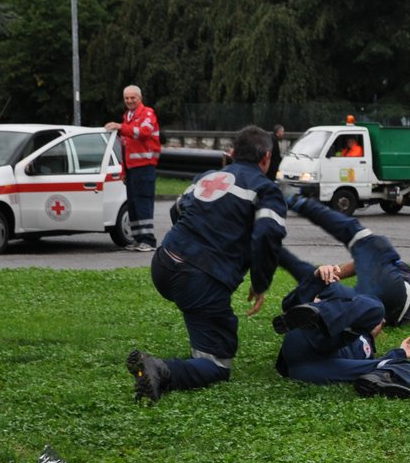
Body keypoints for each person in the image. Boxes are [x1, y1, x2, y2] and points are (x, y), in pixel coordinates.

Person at [125, 125, 288, 403]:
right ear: (267, 157)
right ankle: (161, 370)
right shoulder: (266, 190)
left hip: (164, 263)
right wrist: (260, 283)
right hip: (199, 278)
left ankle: (197, 346)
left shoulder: (207, 177)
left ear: (233, 153)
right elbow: (267, 236)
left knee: (200, 315)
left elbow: (176, 211)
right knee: (217, 366)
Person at [272, 249, 410, 398]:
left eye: (382, 323)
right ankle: (319, 314)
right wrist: (316, 277)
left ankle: (378, 380)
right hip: (310, 336)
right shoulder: (347, 309)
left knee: (403, 365)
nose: (381, 322)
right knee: (375, 307)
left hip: (308, 368)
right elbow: (289, 305)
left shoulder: (368, 351)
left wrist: (401, 352)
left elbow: (381, 362)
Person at [278, 193, 410, 327]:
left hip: (386, 306)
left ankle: (291, 205)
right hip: (388, 307)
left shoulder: (377, 270)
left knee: (321, 282)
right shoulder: (383, 268)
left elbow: (360, 266)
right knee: (363, 239)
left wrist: (330, 276)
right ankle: (295, 201)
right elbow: (362, 265)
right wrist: (332, 274)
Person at [105, 85, 162, 251]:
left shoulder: (147, 114)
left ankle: (148, 240)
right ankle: (138, 239)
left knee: (143, 203)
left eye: (132, 98)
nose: (129, 101)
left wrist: (120, 127)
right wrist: (124, 170)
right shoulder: (128, 116)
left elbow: (144, 132)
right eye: (126, 98)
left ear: (140, 98)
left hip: (145, 166)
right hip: (131, 168)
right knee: (133, 204)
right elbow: (125, 146)